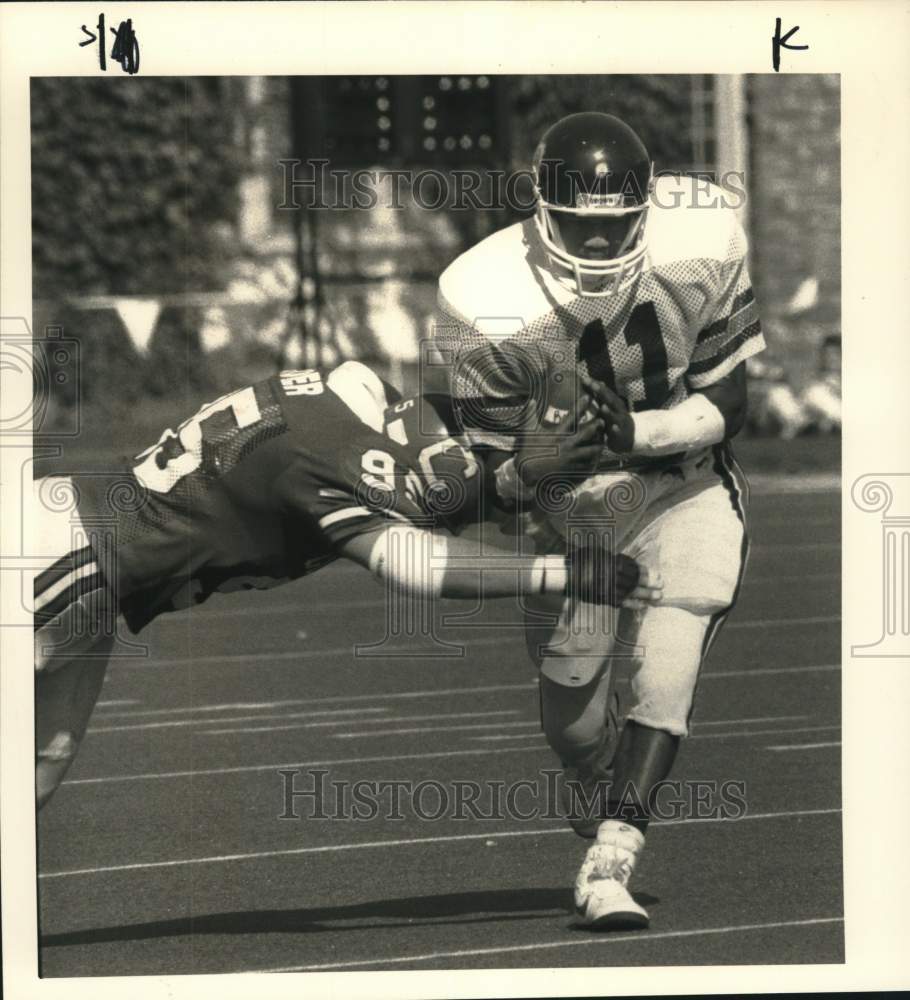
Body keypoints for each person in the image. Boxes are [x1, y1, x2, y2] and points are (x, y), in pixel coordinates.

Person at [33, 360, 661, 810]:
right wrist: (567, 572)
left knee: (40, 766)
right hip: (65, 562)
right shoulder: (329, 464)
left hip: (81, 559)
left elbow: (444, 491)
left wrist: (528, 507)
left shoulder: (351, 399)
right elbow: (408, 560)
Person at [432, 111, 765, 930]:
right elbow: (486, 476)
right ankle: (601, 783)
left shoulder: (705, 237)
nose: (597, 241)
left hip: (680, 484)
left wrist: (640, 433)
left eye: (615, 222)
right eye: (579, 222)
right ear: (543, 211)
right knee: (574, 728)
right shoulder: (481, 297)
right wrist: (525, 471)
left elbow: (733, 399)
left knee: (669, 654)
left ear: (643, 207)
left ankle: (611, 859)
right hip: (569, 519)